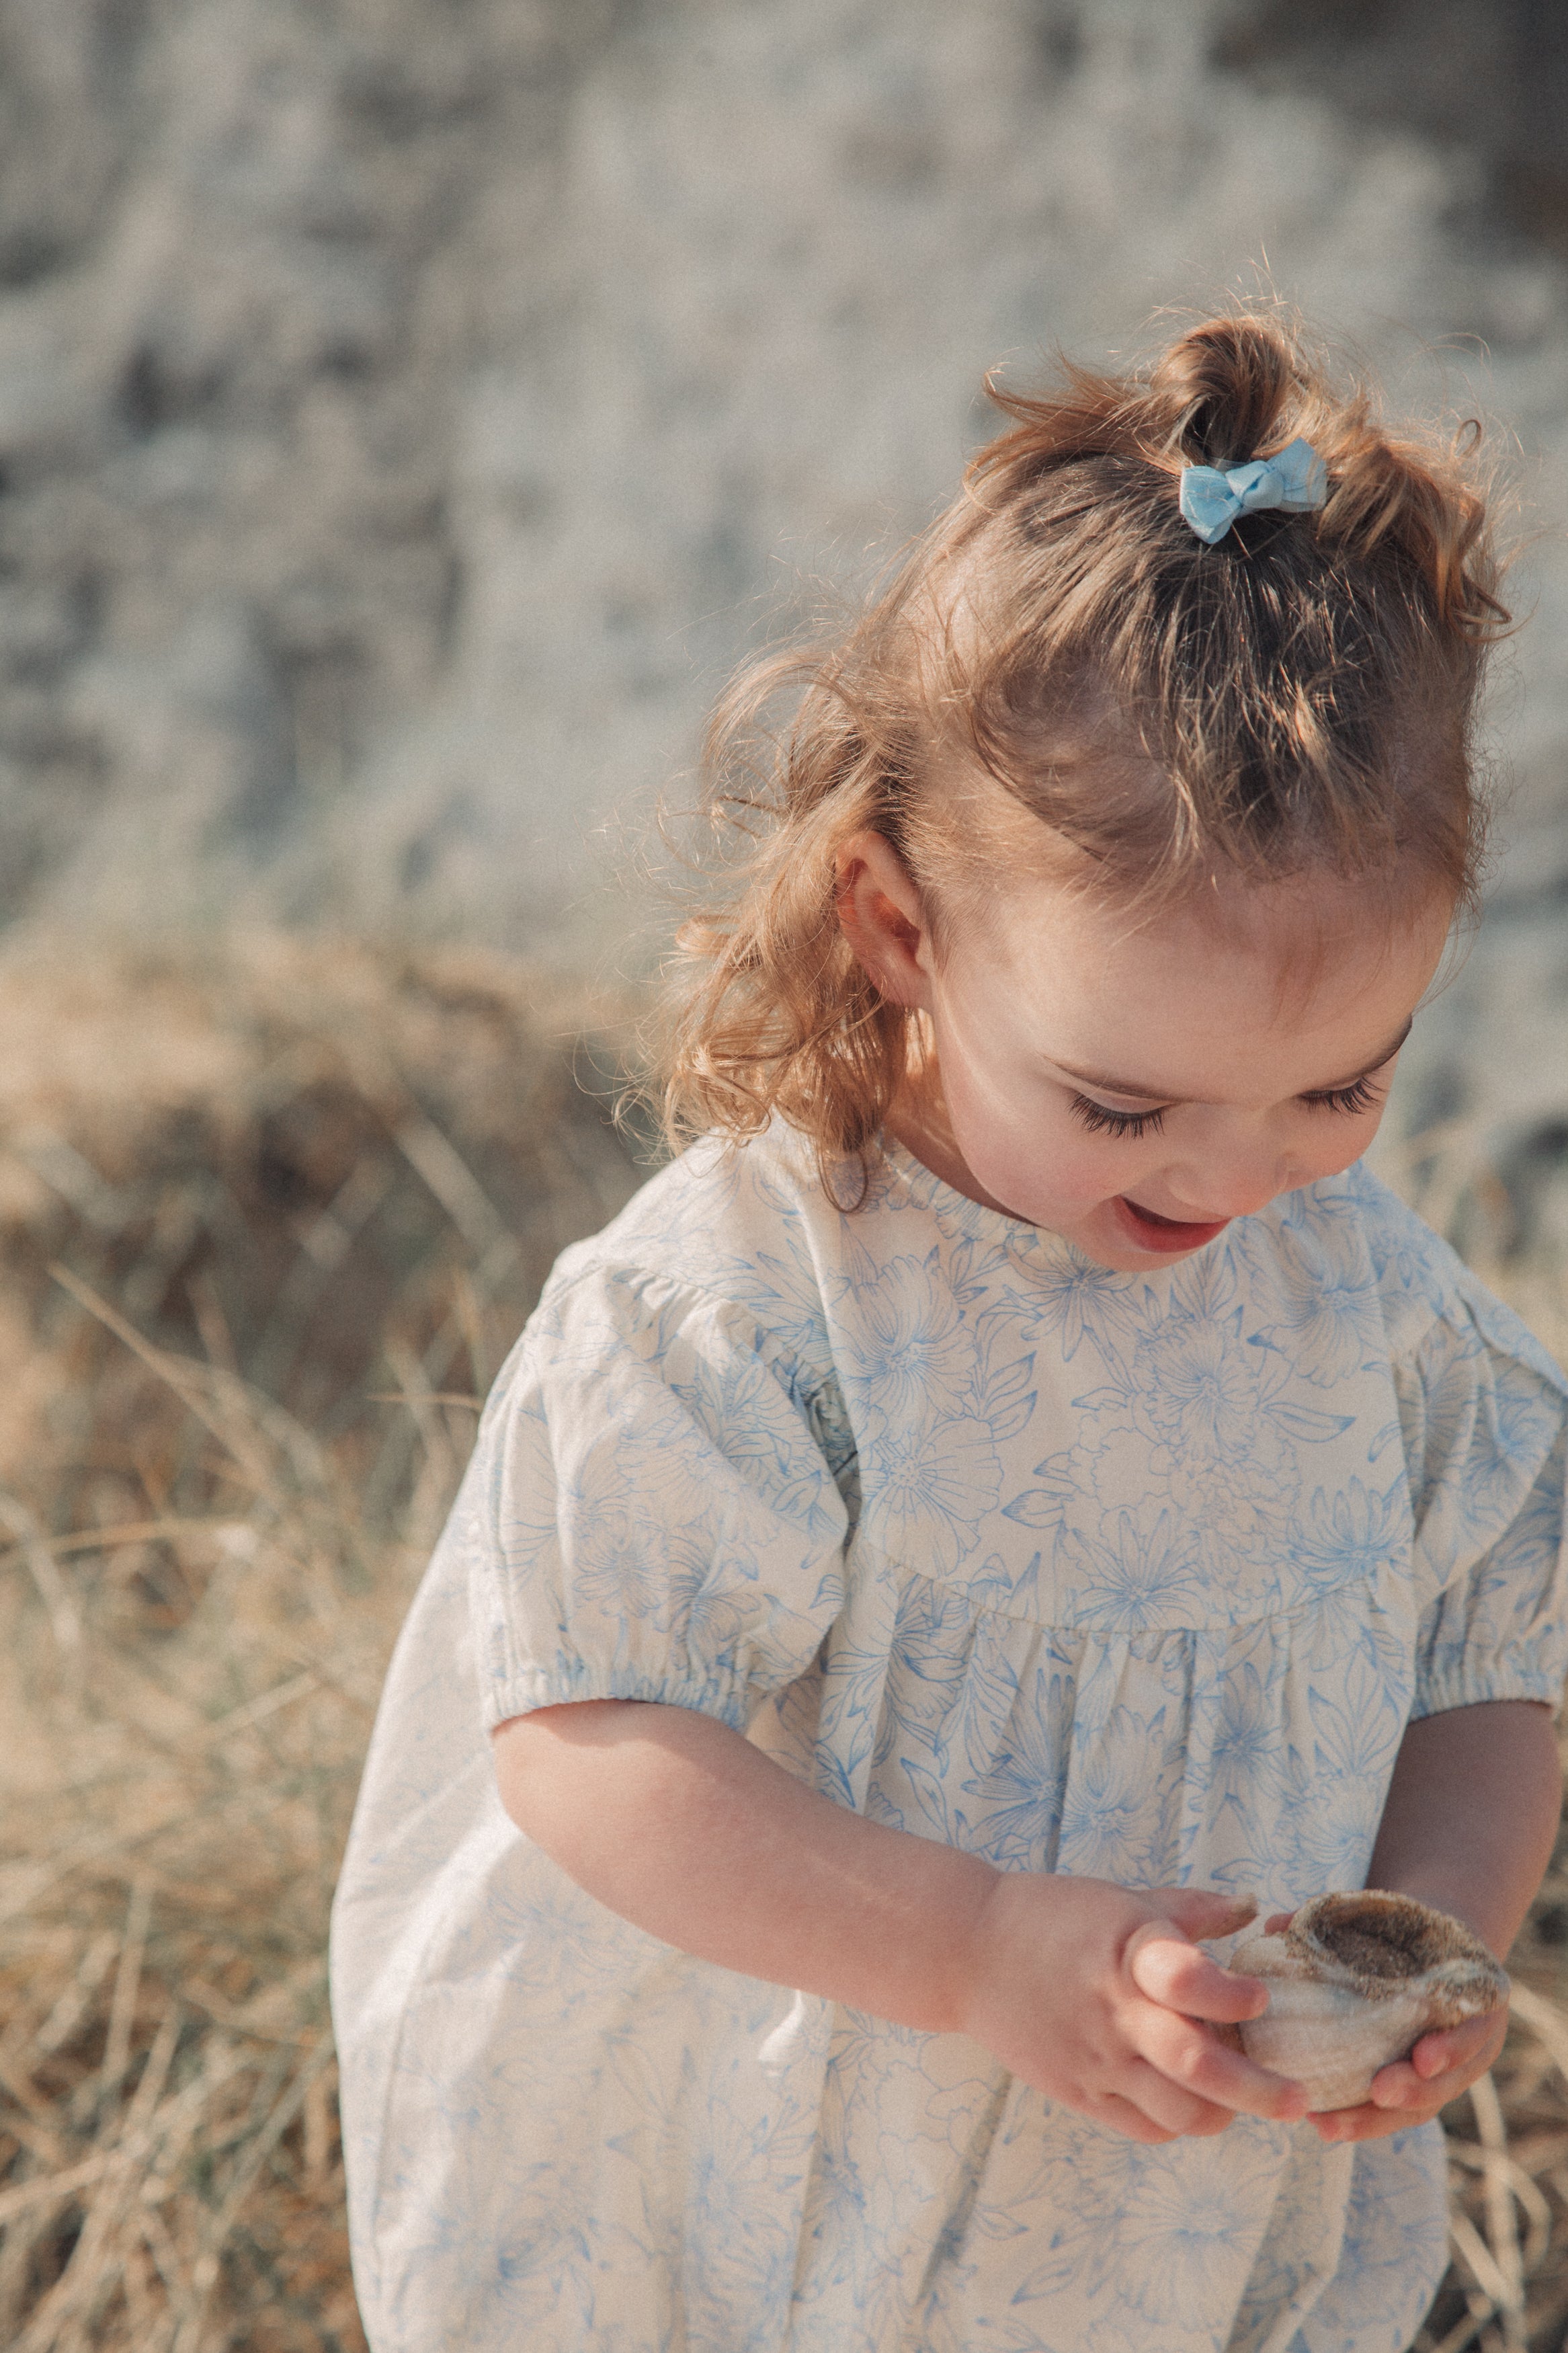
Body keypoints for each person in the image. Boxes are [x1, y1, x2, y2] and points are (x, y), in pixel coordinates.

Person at [330, 311, 1568, 2353]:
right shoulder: (752, 1311)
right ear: (900, 923)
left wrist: (1433, 1939)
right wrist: (982, 1945)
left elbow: (1484, 1672)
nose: (1240, 1179)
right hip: (775, 2204)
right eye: (1123, 1102)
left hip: (1156, 2229)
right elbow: (586, 1734)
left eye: (1342, 1084)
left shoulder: (1370, 1311)